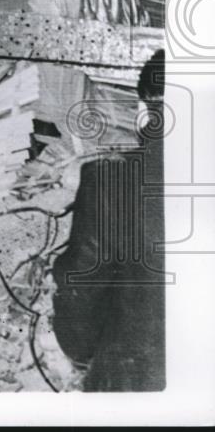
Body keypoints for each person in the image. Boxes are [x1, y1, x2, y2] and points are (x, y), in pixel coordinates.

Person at [51, 48, 166, 391]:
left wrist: (87, 357)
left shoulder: (110, 179)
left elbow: (80, 290)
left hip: (136, 380)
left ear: (144, 110)